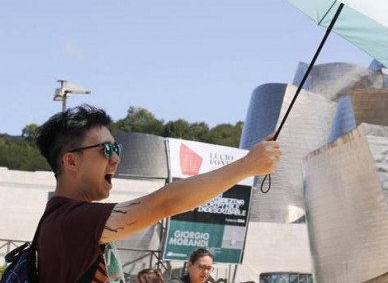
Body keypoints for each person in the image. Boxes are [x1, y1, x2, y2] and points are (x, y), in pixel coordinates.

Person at [34, 105, 281, 282]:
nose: (117, 158)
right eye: (106, 149)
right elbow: (165, 203)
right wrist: (247, 166)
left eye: (116, 147)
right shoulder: (71, 220)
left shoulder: (63, 220)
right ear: (71, 162)